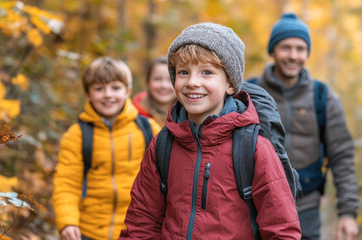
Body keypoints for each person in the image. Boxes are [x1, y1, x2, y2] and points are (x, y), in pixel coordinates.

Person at [120, 22, 301, 239]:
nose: (193, 82)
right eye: (183, 72)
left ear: (231, 85)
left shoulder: (253, 148)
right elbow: (141, 222)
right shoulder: (163, 144)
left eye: (207, 72)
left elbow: (281, 230)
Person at [250, 13, 359, 240]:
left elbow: (342, 155)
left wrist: (347, 213)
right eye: (285, 47)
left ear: (307, 52)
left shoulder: (323, 96)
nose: (293, 55)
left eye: (300, 49)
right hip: (255, 205)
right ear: (272, 51)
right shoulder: (250, 92)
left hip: (305, 207)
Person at [52, 57, 161, 240]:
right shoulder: (77, 135)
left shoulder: (149, 129)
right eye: (99, 89)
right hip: (88, 231)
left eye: (115, 88)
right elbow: (66, 184)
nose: (108, 95)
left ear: (128, 91)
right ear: (87, 95)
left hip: (135, 231)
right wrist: (68, 221)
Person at [132, 56, 176, 126]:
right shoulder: (133, 115)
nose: (164, 85)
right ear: (148, 82)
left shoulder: (189, 115)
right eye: (157, 79)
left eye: (170, 79)